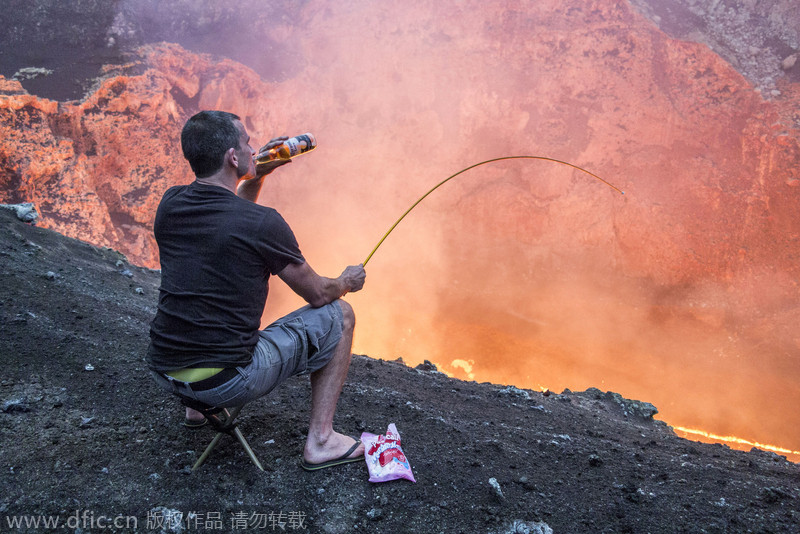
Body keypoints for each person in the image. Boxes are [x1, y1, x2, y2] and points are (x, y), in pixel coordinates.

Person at [147, 110, 366, 470]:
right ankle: (322, 441)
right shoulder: (264, 224)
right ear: (233, 157)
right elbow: (318, 294)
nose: (254, 146)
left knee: (200, 293)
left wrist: (257, 175)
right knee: (339, 315)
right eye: (247, 141)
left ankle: (196, 413)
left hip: (166, 371)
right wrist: (347, 281)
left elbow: (228, 223)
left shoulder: (170, 204)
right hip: (226, 381)